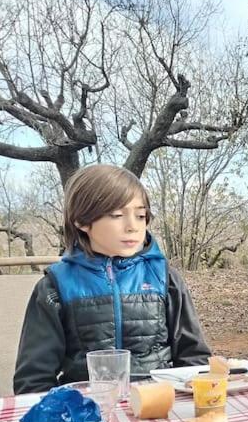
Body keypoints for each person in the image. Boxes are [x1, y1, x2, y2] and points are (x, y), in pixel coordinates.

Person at [14, 164, 210, 394]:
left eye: (140, 215)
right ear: (82, 221)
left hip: (161, 405)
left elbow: (195, 359)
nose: (133, 227)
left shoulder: (165, 278)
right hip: (87, 411)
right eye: (117, 215)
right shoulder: (55, 286)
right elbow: (33, 381)